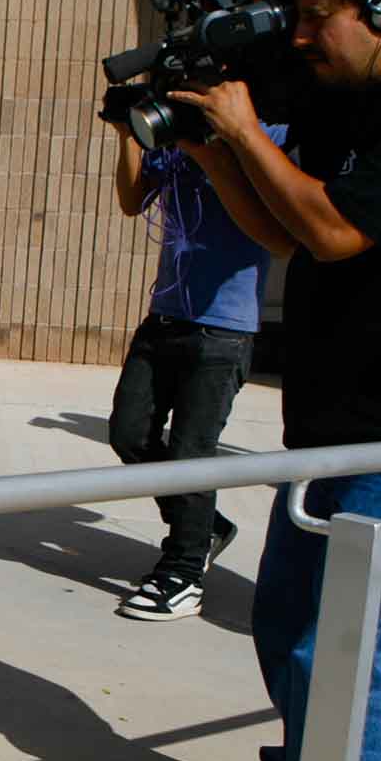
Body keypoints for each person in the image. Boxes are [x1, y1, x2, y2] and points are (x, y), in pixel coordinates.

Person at [165, 0, 381, 761]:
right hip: (324, 421)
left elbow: (335, 233)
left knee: (350, 646)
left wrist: (242, 128)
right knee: (286, 625)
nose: (302, 35)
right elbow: (281, 230)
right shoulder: (342, 96)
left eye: (319, 15)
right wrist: (211, 152)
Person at [102, 120, 278, 621]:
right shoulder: (177, 139)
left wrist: (211, 147)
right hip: (164, 316)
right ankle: (204, 529)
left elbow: (266, 217)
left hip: (224, 328)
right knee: (129, 434)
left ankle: (184, 573)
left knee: (190, 454)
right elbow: (133, 199)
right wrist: (127, 135)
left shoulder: (263, 133)